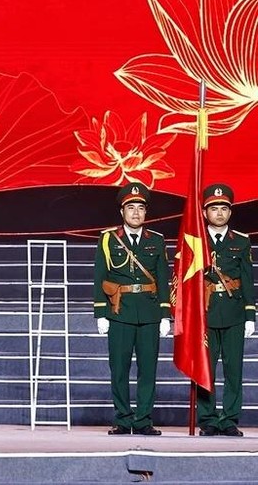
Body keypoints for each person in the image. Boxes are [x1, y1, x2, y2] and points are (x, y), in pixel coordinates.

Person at [93, 182, 170, 436]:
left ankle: (144, 419)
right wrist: (100, 313)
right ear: (122, 212)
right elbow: (99, 276)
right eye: (130, 208)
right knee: (119, 368)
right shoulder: (108, 239)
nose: (136, 213)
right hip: (120, 312)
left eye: (140, 208)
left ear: (146, 212)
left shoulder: (156, 241)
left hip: (148, 312)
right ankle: (123, 419)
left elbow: (162, 278)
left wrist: (164, 314)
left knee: (148, 369)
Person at [197, 184, 255, 437]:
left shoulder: (241, 241)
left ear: (230, 212)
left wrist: (250, 314)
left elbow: (247, 279)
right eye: (213, 208)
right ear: (204, 211)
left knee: (234, 369)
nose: (219, 213)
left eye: (223, 208)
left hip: (233, 313)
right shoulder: (195, 241)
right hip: (205, 313)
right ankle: (207, 418)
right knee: (205, 368)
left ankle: (229, 418)